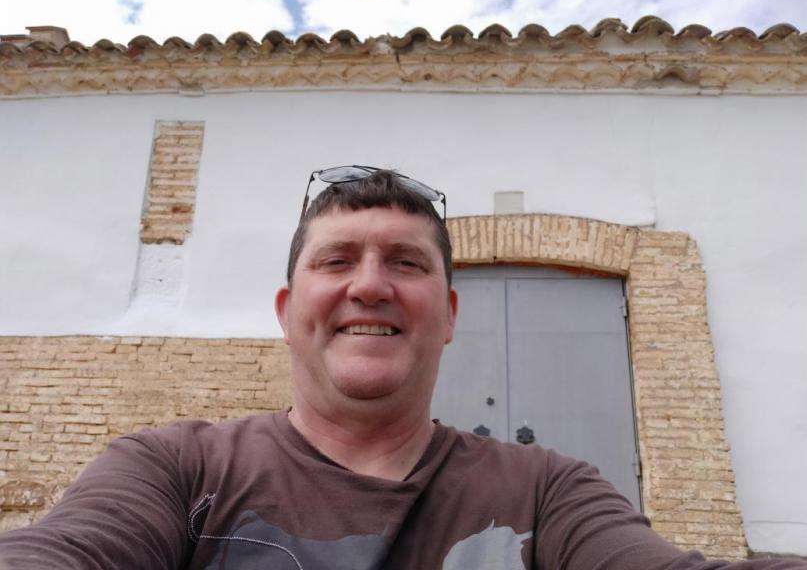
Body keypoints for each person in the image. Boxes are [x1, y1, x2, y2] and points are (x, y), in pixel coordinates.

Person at [0, 166, 804, 570]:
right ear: (286, 311)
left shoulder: (546, 491)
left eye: (406, 263)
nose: (370, 285)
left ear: (448, 316)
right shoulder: (174, 469)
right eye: (336, 260)